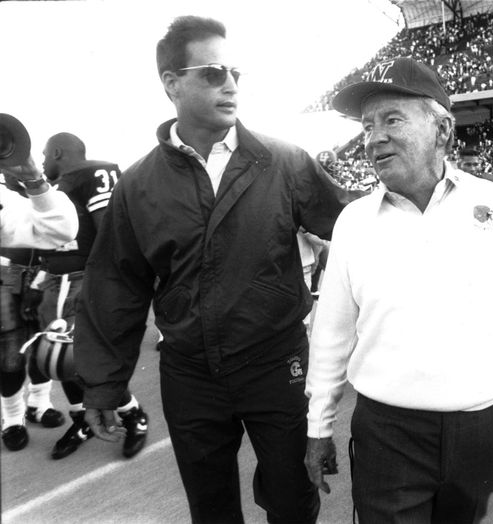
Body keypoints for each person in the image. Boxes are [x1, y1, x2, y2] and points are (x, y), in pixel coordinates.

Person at [74, 16, 353, 524]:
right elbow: (116, 282)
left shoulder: (284, 161)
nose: (230, 85)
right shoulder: (138, 185)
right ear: (171, 83)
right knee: (211, 508)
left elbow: (356, 228)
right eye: (212, 72)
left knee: (293, 500)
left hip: (277, 366)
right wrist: (102, 383)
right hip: (190, 374)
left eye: (235, 73)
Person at [305, 56, 493, 523]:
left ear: (442, 131)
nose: (373, 137)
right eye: (367, 126)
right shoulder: (353, 222)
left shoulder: (492, 203)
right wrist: (318, 425)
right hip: (388, 433)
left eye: (392, 119)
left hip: (480, 428)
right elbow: (330, 334)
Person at [29, 132, 149, 460]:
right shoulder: (53, 187)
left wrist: (106, 285)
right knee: (56, 359)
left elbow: (111, 232)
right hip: (54, 280)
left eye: (44, 155)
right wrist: (39, 281)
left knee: (84, 359)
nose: (41, 161)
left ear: (57, 152)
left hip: (85, 279)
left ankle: (132, 414)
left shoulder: (96, 172)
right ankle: (82, 418)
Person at [0, 157, 77, 451]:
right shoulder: (5, 197)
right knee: (10, 353)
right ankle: (12, 418)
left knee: (43, 344)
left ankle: (39, 404)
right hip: (5, 275)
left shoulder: (47, 194)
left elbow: (62, 237)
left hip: (42, 275)